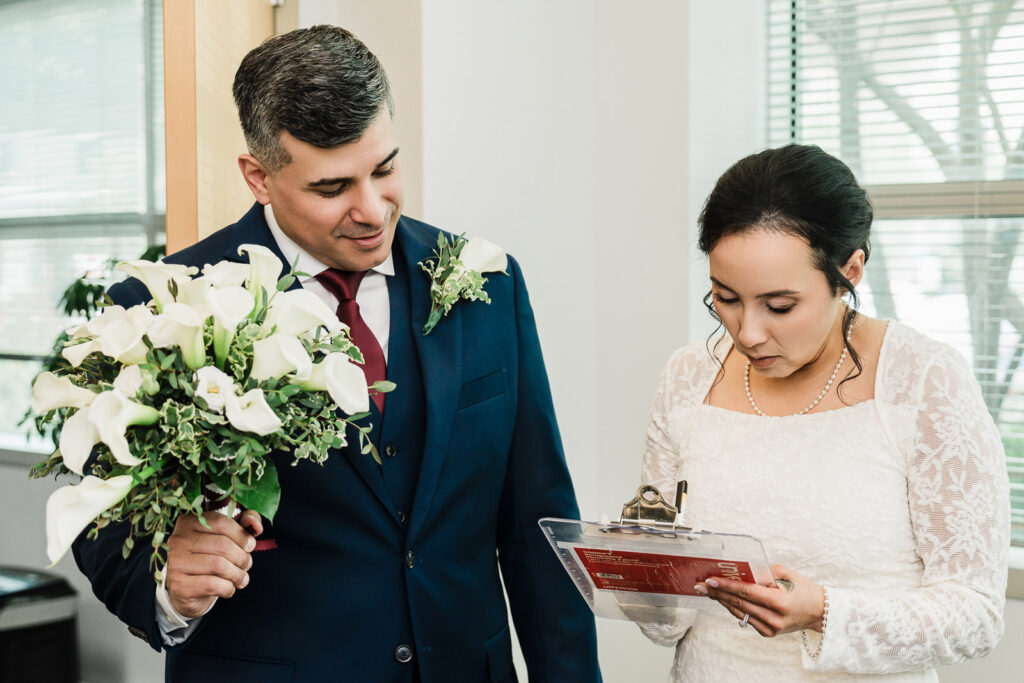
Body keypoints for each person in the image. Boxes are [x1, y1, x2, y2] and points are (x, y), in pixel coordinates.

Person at [72, 25, 601, 683]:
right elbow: (102, 520)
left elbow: (535, 525)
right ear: (258, 177)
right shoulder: (164, 303)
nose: (373, 210)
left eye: (385, 169)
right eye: (332, 188)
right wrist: (166, 579)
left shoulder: (487, 283)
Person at [632, 144, 1009, 681]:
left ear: (850, 269)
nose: (748, 333)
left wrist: (824, 612)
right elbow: (664, 621)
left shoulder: (923, 379)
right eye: (725, 298)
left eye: (780, 306)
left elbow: (976, 613)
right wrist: (636, 570)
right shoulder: (688, 376)